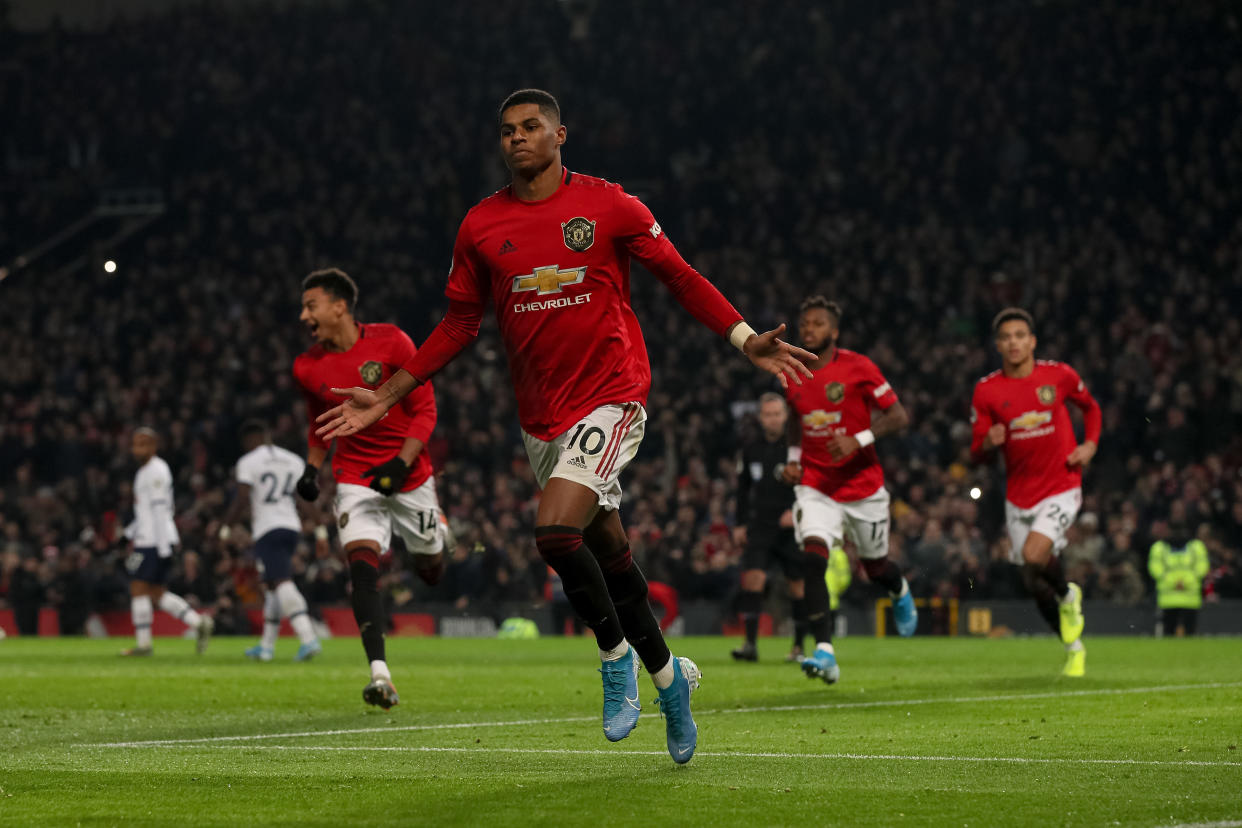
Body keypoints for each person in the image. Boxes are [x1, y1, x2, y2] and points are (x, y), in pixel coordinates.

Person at [313, 89, 815, 764]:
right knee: (608, 550)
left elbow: (680, 274)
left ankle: (614, 661)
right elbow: (461, 324)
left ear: (560, 135)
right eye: (506, 131)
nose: (516, 139)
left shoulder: (610, 204)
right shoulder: (481, 225)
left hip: (612, 396)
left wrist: (744, 337)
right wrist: (387, 395)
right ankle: (669, 682)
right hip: (541, 417)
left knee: (553, 530)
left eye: (530, 128)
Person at [293, 268, 447, 709]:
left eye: (311, 305)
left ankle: (439, 534)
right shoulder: (306, 366)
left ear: (339, 306)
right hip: (355, 476)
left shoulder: (393, 342)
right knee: (361, 566)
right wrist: (312, 468)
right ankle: (381, 676)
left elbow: (425, 408)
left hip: (410, 475)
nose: (304, 315)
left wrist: (401, 465)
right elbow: (318, 425)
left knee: (430, 568)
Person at [781, 296, 915, 685]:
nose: (809, 330)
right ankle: (824, 652)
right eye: (805, 323)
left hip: (863, 486)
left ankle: (899, 588)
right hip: (816, 485)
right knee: (812, 560)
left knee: (875, 568)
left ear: (834, 332)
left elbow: (899, 416)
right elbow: (794, 417)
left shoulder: (859, 367)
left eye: (818, 324)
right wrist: (793, 457)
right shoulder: (793, 372)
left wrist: (859, 439)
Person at [970, 308, 1101, 676]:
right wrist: (987, 443)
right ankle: (1073, 646)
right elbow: (975, 451)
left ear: (1032, 341)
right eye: (1006, 337)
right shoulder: (987, 390)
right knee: (1030, 579)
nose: (1013, 342)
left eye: (1019, 336)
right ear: (998, 345)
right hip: (1019, 495)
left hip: (1062, 484)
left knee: (1033, 554)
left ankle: (1068, 595)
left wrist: (1089, 445)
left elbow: (1091, 409)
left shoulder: (1058, 376)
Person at [219, 419, 323, 662]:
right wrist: (320, 532)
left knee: (281, 581)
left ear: (248, 440)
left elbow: (243, 498)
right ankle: (266, 647)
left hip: (267, 528)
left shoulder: (248, 462)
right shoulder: (293, 460)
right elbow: (306, 498)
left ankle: (308, 639)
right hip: (291, 527)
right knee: (272, 585)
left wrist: (226, 528)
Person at [120, 427, 214, 656]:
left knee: (138, 588)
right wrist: (128, 533)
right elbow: (145, 513)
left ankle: (144, 645)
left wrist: (163, 546)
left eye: (144, 444)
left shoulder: (156, 471)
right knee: (156, 592)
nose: (138, 449)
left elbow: (161, 510)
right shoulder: (145, 471)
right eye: (135, 444)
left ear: (154, 446)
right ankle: (197, 622)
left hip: (153, 541)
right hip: (150, 538)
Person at [730, 392, 804, 663]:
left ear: (785, 416)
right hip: (760, 525)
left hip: (791, 527)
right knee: (753, 580)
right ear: (761, 418)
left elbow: (811, 484)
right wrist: (738, 524)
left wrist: (797, 511)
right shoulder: (751, 448)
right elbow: (742, 489)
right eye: (767, 415)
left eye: (777, 414)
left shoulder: (796, 448)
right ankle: (750, 644)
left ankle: (798, 647)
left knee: (798, 585)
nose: (772, 419)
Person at [1148, 524, 1209, 636]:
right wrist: (1180, 582)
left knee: (1188, 632)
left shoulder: (1196, 546)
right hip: (1171, 598)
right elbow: (1155, 568)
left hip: (1188, 597)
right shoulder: (1159, 547)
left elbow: (1202, 567)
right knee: (1170, 631)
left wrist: (1179, 582)